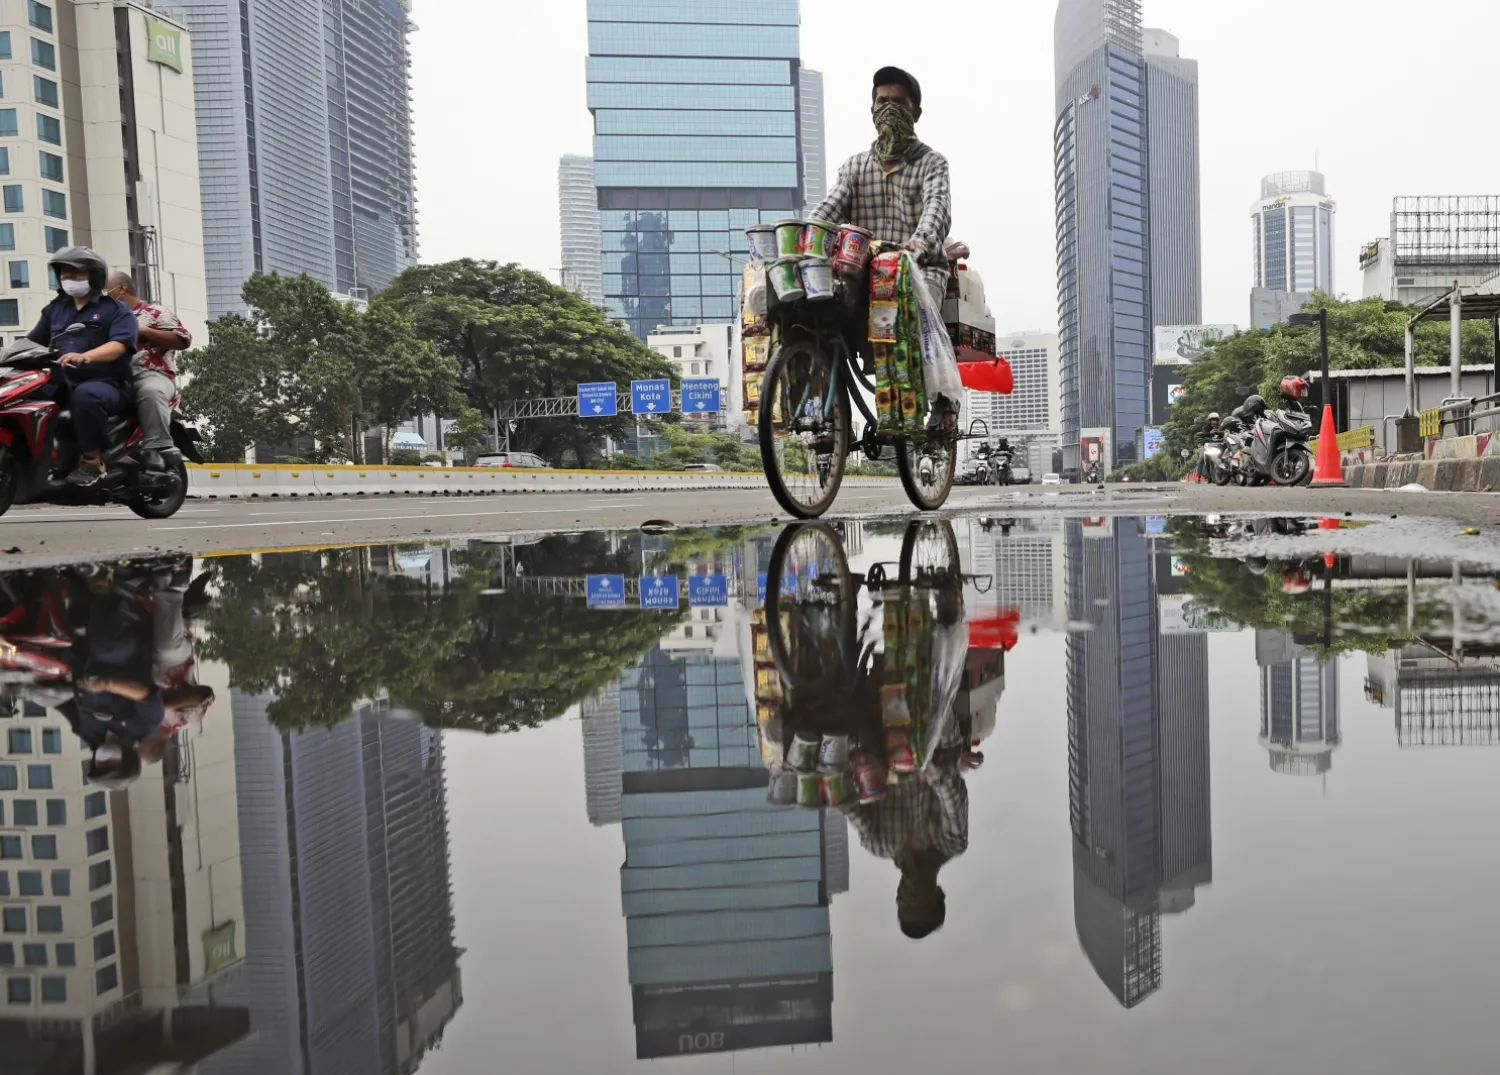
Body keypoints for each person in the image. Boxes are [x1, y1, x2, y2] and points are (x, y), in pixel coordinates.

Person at [811, 65, 952, 309]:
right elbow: (829, 208)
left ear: (915, 113)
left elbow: (936, 210)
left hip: (918, 272)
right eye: (882, 101)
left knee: (914, 319)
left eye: (898, 102)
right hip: (860, 277)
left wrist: (918, 245)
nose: (889, 109)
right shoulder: (854, 167)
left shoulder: (932, 163)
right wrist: (803, 237)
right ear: (872, 110)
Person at [26, 248, 139, 486]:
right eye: (65, 274)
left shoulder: (116, 310)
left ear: (95, 276)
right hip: (61, 382)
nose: (69, 279)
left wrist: (85, 356)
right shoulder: (56, 309)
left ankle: (92, 462)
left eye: (76, 275)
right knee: (21, 397)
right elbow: (32, 342)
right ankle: (31, 461)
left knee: (86, 397)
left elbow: (119, 345)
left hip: (108, 383)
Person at [105, 271, 192, 470]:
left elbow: (183, 339)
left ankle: (157, 446)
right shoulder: (105, 318)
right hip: (113, 378)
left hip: (151, 374)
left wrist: (143, 331)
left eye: (105, 289)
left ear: (121, 289)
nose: (101, 295)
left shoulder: (155, 312)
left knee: (150, 391)